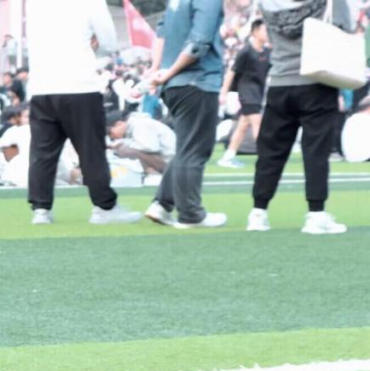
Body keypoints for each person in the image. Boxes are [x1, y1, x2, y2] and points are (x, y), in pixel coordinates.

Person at [25, 0, 141, 225]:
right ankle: (104, 206)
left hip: (42, 86)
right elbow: (109, 42)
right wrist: (93, 46)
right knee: (91, 150)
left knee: (42, 153)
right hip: (80, 85)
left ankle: (41, 209)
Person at [248, 0, 353, 235]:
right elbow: (344, 29)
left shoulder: (267, 3)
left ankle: (258, 212)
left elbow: (271, 38)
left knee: (270, 152)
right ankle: (316, 214)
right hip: (317, 79)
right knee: (316, 152)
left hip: (280, 81)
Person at [145, 0, 228, 229]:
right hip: (197, 80)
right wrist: (167, 72)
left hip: (173, 84)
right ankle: (191, 214)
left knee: (186, 147)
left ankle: (163, 203)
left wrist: (157, 70)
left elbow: (161, 33)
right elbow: (199, 41)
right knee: (195, 149)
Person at [217, 19, 270, 169]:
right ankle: (266, 158)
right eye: (264, 30)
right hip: (247, 93)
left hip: (259, 92)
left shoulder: (267, 52)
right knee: (257, 124)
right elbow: (232, 72)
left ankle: (228, 157)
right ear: (255, 32)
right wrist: (224, 92)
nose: (267, 33)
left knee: (243, 125)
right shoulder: (246, 51)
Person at [108, 111, 177, 179]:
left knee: (125, 150)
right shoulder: (133, 126)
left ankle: (154, 176)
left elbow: (150, 147)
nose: (112, 138)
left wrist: (124, 143)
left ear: (119, 124)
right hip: (167, 162)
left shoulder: (140, 123)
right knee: (124, 150)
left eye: (110, 134)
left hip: (172, 164)